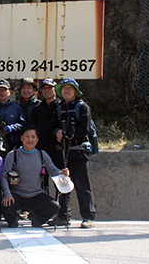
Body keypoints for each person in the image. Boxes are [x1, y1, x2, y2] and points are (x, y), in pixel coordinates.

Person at [0, 125, 69, 228]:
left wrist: (63, 173)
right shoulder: (13, 155)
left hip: (36, 195)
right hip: (17, 195)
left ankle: (36, 218)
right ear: (22, 138)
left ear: (37, 140)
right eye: (27, 136)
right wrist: (7, 194)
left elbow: (54, 171)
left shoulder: (42, 155)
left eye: (33, 137)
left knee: (54, 207)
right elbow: (3, 176)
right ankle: (14, 218)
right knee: (5, 205)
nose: (30, 139)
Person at [52, 78, 96, 228]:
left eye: (70, 89)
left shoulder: (82, 107)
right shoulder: (59, 108)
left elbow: (86, 129)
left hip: (78, 152)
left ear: (76, 92)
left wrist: (70, 133)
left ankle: (88, 217)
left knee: (82, 185)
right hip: (62, 153)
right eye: (64, 88)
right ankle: (62, 216)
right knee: (62, 185)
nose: (66, 91)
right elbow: (52, 127)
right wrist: (57, 131)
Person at [0, 79, 25, 153]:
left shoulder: (16, 108)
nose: (2, 92)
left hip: (13, 145)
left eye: (4, 90)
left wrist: (12, 128)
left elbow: (23, 124)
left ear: (9, 92)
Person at [30, 79, 61, 159]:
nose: (47, 90)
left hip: (58, 149)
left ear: (55, 89)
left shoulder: (62, 107)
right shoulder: (36, 109)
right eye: (44, 88)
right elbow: (32, 128)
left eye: (50, 88)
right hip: (41, 149)